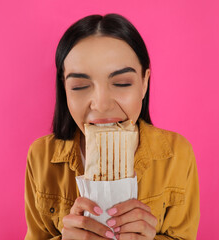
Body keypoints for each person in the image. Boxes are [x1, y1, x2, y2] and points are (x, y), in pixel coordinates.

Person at [24, 13, 200, 240]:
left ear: (144, 83)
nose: (102, 105)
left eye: (121, 83)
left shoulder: (177, 154)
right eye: (79, 86)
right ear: (64, 89)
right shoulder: (41, 157)